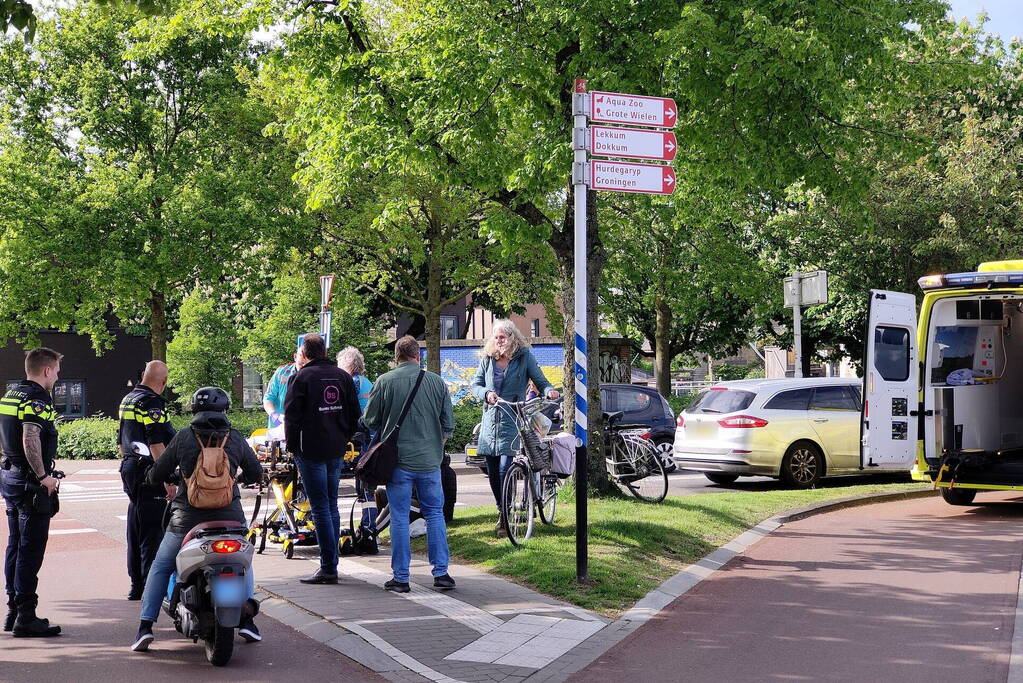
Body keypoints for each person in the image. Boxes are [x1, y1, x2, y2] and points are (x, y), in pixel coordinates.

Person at [131, 386, 263, 652]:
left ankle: (145, 627)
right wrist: (238, 478)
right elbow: (256, 473)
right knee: (242, 564)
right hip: (231, 521)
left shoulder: (183, 438)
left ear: (194, 409)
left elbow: (158, 473)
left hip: (187, 521)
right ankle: (248, 622)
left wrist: (153, 477)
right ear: (224, 410)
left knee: (161, 565)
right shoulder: (235, 438)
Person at [363, 335, 455, 593]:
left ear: (397, 357)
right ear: (418, 356)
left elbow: (370, 420)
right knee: (435, 514)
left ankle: (401, 577)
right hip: (430, 462)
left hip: (398, 462)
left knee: (400, 517)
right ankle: (442, 573)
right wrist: (437, 442)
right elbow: (448, 423)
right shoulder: (436, 382)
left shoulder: (385, 381)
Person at [285, 334, 361, 585]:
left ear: (304, 355)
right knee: (331, 505)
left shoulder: (300, 378)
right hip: (335, 448)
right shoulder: (343, 377)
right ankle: (332, 562)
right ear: (325, 351)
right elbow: (354, 415)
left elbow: (292, 418)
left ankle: (329, 567)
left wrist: (294, 448)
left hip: (310, 450)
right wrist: (342, 437)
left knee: (320, 507)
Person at [471, 320, 559, 534]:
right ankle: (501, 508)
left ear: (512, 337)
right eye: (496, 337)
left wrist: (549, 391)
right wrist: (486, 394)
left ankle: (505, 516)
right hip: (491, 419)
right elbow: (475, 384)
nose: (498, 340)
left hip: (513, 417)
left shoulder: (524, 357)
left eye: (502, 337)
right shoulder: (488, 359)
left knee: (505, 468)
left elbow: (540, 380)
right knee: (492, 471)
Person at [0, 347, 63, 637]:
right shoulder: (38, 397)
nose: (58, 376)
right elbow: (30, 436)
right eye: (57, 371)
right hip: (29, 483)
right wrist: (43, 476)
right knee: (30, 548)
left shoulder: (10, 394)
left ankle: (14, 609)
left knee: (15, 543)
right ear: (47, 370)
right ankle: (26, 616)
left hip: (10, 476)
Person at [118, 360, 177, 601]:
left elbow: (122, 439)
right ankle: (150, 587)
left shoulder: (128, 399)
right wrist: (167, 478)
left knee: (136, 525)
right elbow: (156, 443)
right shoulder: (152, 403)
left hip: (130, 467)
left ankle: (136, 583)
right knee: (153, 531)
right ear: (163, 382)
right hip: (148, 471)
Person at [338, 346, 377, 540]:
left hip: (359, 441)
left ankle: (367, 526)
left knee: (363, 488)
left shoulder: (349, 383)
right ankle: (369, 527)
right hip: (372, 440)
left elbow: (347, 412)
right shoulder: (367, 383)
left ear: (347, 364)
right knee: (367, 489)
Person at [263, 350, 301, 430]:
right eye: (301, 363)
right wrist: (274, 415)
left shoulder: (313, 374)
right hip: (278, 427)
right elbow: (268, 397)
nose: (303, 368)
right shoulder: (282, 372)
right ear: (295, 357)